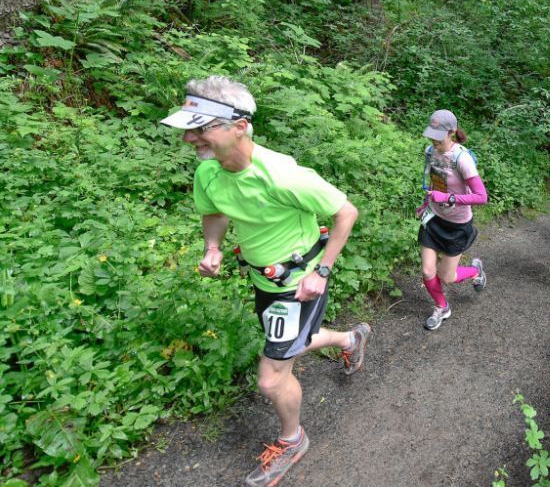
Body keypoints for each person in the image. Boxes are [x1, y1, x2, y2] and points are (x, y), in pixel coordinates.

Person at [160, 76, 372, 487]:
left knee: (272, 376)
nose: (189, 138)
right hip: (266, 283)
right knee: (291, 343)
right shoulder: (209, 172)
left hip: (299, 286)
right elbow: (215, 212)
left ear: (239, 126)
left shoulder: (283, 175)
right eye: (188, 127)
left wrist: (321, 272)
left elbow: (346, 213)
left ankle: (293, 440)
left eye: (200, 127)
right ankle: (349, 340)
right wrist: (213, 248)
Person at [416, 109, 488, 330]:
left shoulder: (462, 159)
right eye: (432, 134)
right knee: (427, 271)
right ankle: (442, 307)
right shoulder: (430, 151)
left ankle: (476, 272)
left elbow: (481, 197)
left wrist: (448, 198)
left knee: (447, 276)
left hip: (457, 225)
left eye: (438, 135)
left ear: (452, 132)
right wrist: (428, 202)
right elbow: (435, 183)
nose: (433, 139)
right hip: (434, 219)